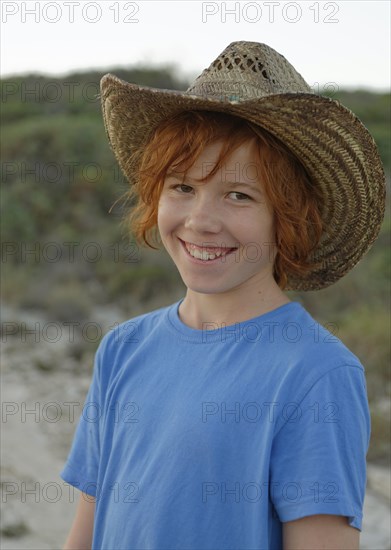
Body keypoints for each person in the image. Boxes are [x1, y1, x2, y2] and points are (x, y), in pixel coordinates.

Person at [61, 41, 385, 549]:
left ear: (292, 218)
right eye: (182, 187)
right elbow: (87, 530)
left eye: (239, 195)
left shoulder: (315, 373)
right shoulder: (123, 348)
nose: (201, 221)